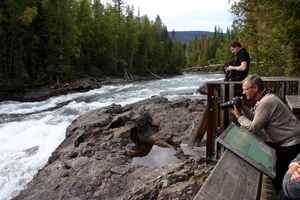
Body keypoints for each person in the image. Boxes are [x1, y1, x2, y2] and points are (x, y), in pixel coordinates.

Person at [231, 74, 300, 194]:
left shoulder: (265, 103)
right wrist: (244, 109)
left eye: (245, 89)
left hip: (291, 145)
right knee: (278, 176)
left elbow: (254, 127)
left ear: (255, 88)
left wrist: (239, 116)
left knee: (280, 180)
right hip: (290, 142)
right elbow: (258, 119)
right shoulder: (267, 98)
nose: (243, 92)